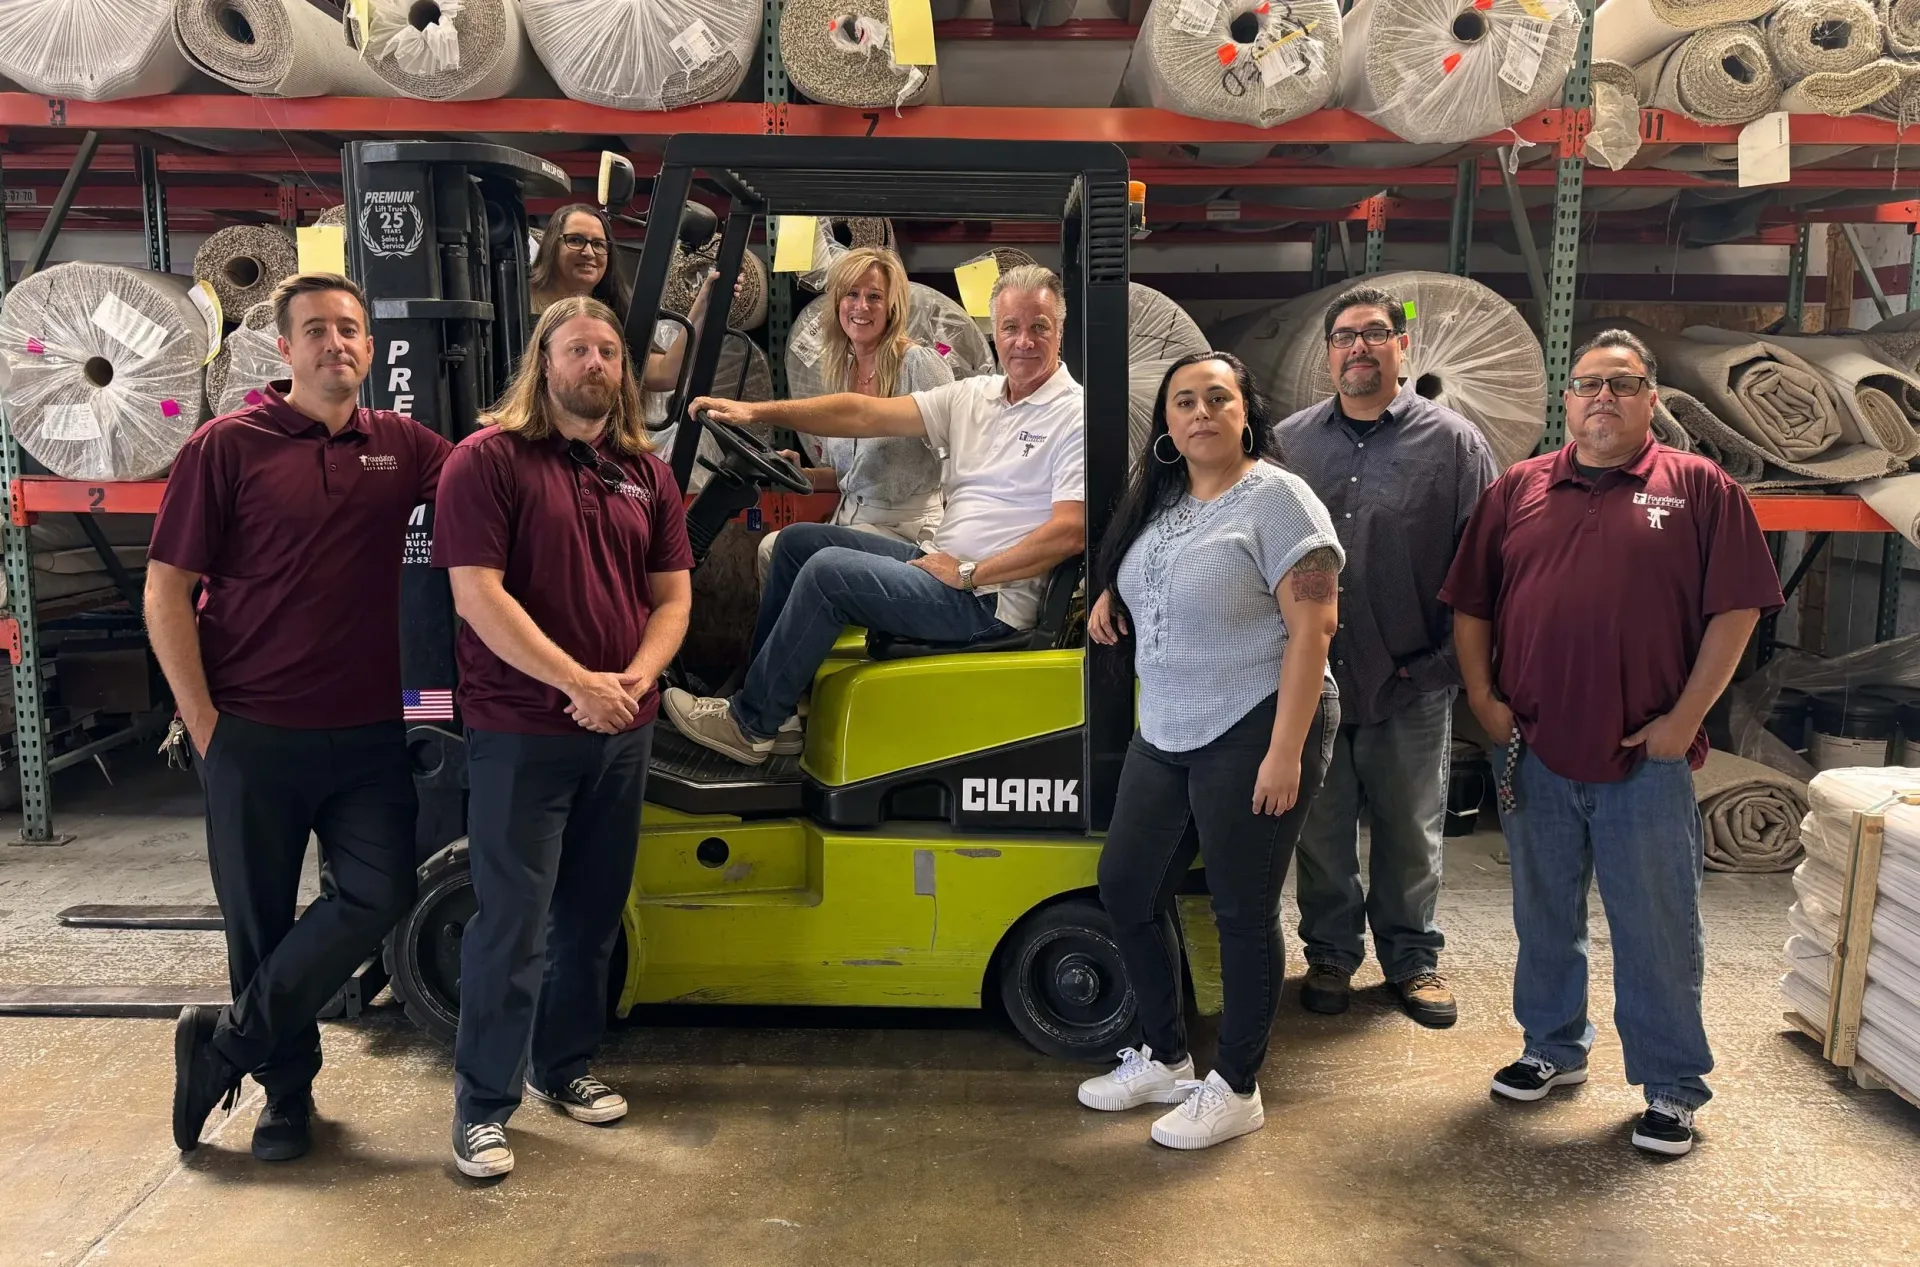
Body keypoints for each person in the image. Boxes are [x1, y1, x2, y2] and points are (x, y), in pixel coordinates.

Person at [1440, 329, 1783, 1158]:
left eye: (1623, 384)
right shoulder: (1519, 486)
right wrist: (1484, 700)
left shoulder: (1700, 488)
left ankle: (1670, 1086)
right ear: (1566, 400)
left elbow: (1735, 611)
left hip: (1646, 759)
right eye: (1589, 384)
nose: (1604, 397)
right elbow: (1473, 603)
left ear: (1651, 398)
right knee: (1544, 912)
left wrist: (1684, 720)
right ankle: (1551, 1046)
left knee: (1657, 924)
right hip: (1536, 749)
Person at [148, 272, 451, 1163]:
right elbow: (166, 590)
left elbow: (491, 470)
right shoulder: (225, 447)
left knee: (380, 894)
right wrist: (204, 723)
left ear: (371, 345)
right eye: (316, 330)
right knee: (261, 922)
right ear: (284, 348)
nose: (336, 344)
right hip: (252, 730)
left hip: (366, 734)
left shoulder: (401, 445)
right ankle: (286, 1097)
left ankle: (226, 1045)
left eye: (350, 330)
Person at [432, 296, 694, 1179]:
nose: (595, 363)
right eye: (578, 347)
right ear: (543, 362)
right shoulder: (487, 460)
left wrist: (637, 678)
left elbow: (673, 598)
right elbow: (478, 594)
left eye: (610, 351)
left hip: (623, 729)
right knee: (511, 924)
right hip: (522, 729)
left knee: (589, 916)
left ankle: (565, 1066)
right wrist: (575, 682)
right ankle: (482, 1108)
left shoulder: (643, 474)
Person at [1075, 351, 1341, 1150]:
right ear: (1167, 423)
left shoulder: (1280, 500)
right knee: (1125, 883)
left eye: (1216, 398)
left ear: (1245, 410)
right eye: (1183, 401)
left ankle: (1236, 1086)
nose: (1199, 413)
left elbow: (1315, 628)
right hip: (1168, 726)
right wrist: (1110, 597)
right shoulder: (1165, 500)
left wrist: (1285, 751)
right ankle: (1164, 1055)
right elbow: (1161, 571)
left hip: (1258, 721)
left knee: (1239, 907)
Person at [664, 264, 1085, 765]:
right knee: (799, 544)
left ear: (1060, 330)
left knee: (827, 575)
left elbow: (1071, 530)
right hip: (942, 566)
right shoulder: (977, 397)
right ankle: (776, 716)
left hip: (987, 599)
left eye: (1039, 326)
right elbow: (862, 414)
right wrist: (756, 413)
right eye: (1011, 327)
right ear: (995, 330)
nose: (1024, 341)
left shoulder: (1073, 414)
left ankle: (750, 726)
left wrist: (972, 573)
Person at [1272, 286, 1498, 1027]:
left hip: (1411, 679)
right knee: (1321, 827)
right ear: (1328, 352)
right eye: (1343, 336)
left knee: (1409, 830)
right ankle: (1331, 954)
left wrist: (1437, 669)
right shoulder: (1290, 442)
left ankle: (1412, 960)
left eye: (1374, 334)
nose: (1358, 348)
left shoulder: (1455, 445)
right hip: (1314, 679)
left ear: (1405, 346)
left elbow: (1485, 567)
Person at [760, 245, 953, 580]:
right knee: (770, 549)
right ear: (838, 302)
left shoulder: (919, 365)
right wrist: (803, 474)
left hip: (905, 528)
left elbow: (958, 454)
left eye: (875, 296)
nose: (861, 306)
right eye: (852, 294)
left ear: (892, 305)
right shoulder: (840, 371)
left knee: (809, 557)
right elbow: (846, 476)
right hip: (849, 519)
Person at [528, 202, 718, 396]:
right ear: (552, 244)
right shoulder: (518, 295)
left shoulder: (615, 312)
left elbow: (663, 373)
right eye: (575, 240)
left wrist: (704, 301)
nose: (588, 252)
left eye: (598, 244)